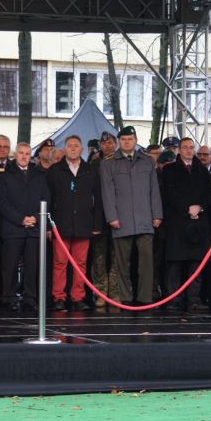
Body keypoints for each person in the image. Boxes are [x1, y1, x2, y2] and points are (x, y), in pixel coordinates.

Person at [100, 126, 163, 306]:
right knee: (122, 263)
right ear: (119, 142)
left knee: (146, 262)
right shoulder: (108, 162)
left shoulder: (147, 161)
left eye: (130, 139)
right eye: (123, 139)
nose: (127, 142)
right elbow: (107, 192)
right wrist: (112, 217)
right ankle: (125, 298)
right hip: (122, 219)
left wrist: (157, 214)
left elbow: (154, 190)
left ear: (136, 141)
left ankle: (144, 298)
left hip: (145, 218)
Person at [47, 135, 103, 311]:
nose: (72, 148)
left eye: (76, 145)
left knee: (80, 264)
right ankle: (59, 297)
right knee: (60, 263)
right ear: (65, 149)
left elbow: (98, 198)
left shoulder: (90, 170)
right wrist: (48, 226)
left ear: (82, 149)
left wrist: (97, 224)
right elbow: (48, 199)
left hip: (83, 223)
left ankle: (78, 297)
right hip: (60, 224)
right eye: (69, 145)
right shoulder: (54, 170)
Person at [0, 142, 50, 311]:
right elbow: (2, 202)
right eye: (21, 153)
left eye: (27, 153)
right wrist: (21, 219)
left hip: (34, 228)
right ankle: (8, 298)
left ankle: (30, 298)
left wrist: (35, 218)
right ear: (15, 155)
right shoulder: (4, 174)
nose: (24, 156)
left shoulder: (39, 174)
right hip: (13, 228)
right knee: (9, 266)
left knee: (32, 266)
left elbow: (46, 198)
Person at [161, 137, 211, 312]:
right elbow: (169, 193)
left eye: (191, 147)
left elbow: (208, 194)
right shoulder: (169, 170)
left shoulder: (202, 171)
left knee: (196, 263)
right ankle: (173, 299)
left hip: (198, 222)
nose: (189, 150)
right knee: (175, 264)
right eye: (185, 147)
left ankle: (194, 299)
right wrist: (186, 209)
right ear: (179, 150)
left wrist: (199, 207)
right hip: (178, 221)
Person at [89, 131, 119, 306]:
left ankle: (114, 292)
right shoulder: (94, 164)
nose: (107, 146)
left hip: (119, 215)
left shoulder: (122, 162)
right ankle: (101, 293)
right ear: (100, 145)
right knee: (99, 257)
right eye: (104, 143)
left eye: (110, 143)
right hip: (99, 216)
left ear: (115, 144)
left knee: (117, 257)